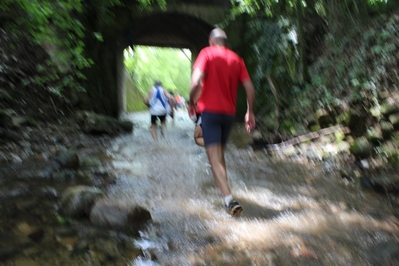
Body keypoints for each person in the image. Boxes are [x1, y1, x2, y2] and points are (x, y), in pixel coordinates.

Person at [189, 28, 256, 217]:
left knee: (214, 158)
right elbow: (249, 88)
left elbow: (195, 82)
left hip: (210, 112)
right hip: (228, 115)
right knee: (219, 156)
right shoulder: (237, 59)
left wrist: (191, 101)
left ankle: (229, 200)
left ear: (211, 40)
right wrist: (250, 112)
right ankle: (224, 195)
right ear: (226, 42)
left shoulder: (206, 53)